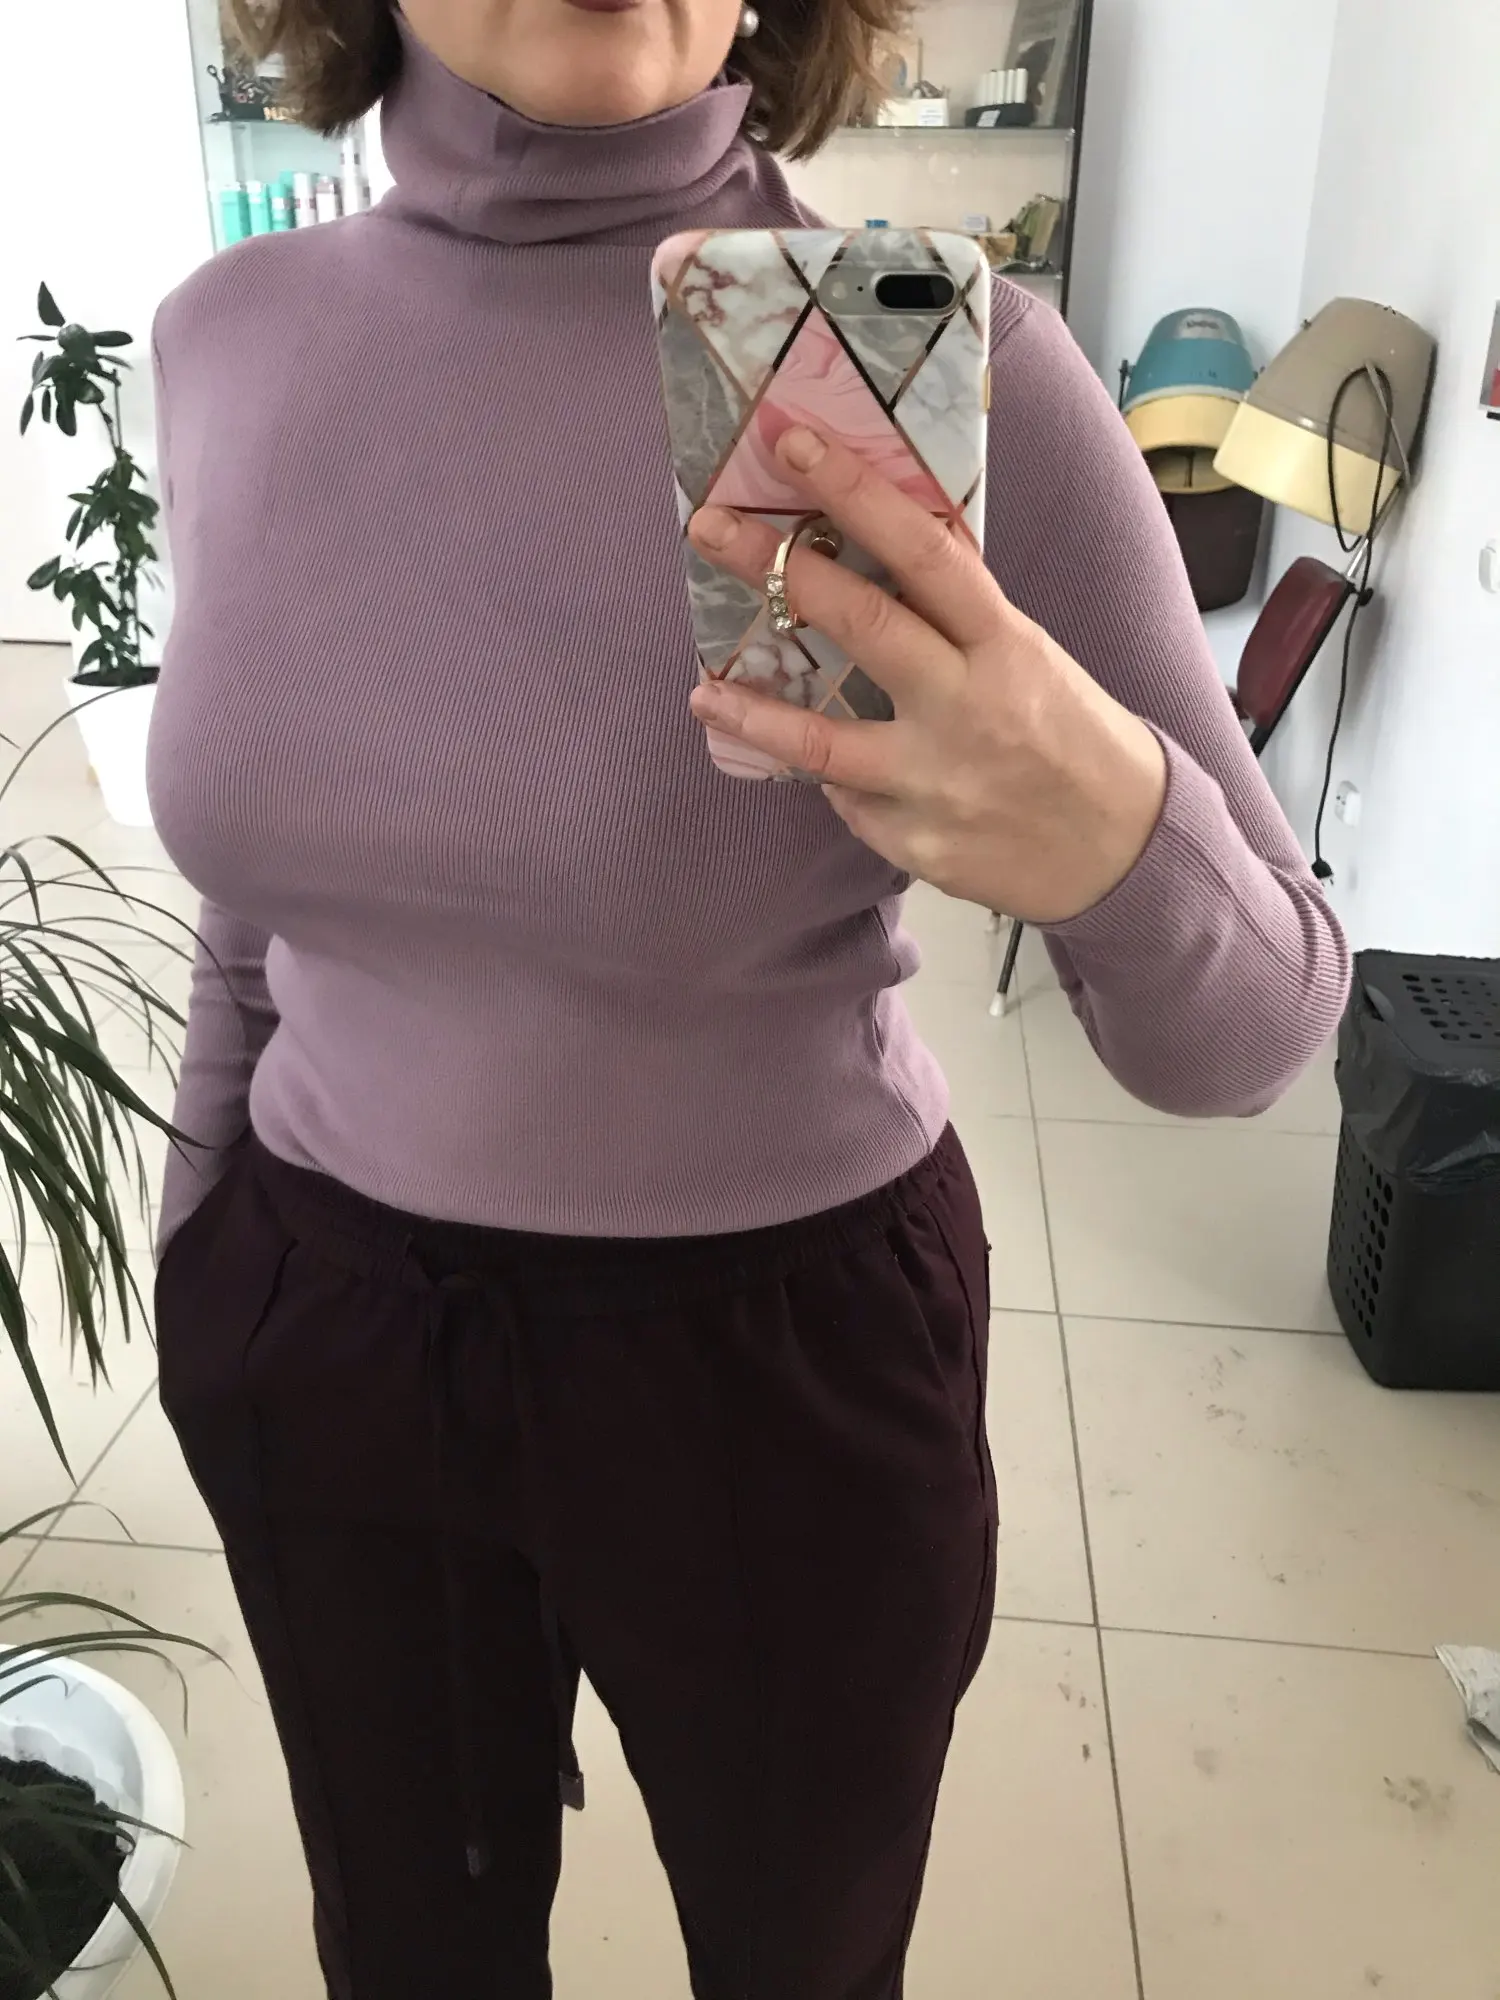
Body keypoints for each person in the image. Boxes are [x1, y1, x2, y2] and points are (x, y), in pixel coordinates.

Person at [146, 1, 1350, 1995]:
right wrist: (206, 1256)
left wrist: (1118, 829)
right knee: (410, 1952)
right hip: (323, 1334)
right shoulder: (228, 336)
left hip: (777, 1376)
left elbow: (1265, 1029)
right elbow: (257, 893)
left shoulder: (926, 356)